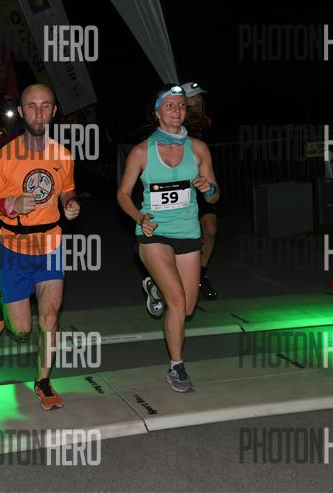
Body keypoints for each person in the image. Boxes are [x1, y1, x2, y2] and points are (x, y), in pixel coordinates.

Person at [0, 83, 80, 410]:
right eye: (32, 106)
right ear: (21, 112)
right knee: (21, 330)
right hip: (15, 249)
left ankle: (43, 380)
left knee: (50, 316)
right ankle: (0, 299)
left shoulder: (62, 154)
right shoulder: (5, 157)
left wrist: (70, 202)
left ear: (53, 111)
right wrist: (8, 204)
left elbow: (66, 189)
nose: (39, 113)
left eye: (45, 105)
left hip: (50, 245)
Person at [117, 84, 220, 392]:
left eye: (181, 106)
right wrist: (140, 218)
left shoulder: (199, 149)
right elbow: (123, 194)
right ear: (157, 112)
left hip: (188, 233)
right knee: (177, 301)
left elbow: (214, 197)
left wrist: (208, 189)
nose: (177, 110)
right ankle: (176, 367)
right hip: (154, 233)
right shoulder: (142, 151)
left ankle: (154, 287)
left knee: (186, 308)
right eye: (170, 105)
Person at [181, 81, 217, 300]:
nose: (198, 100)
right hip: (180, 186)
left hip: (202, 182)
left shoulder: (205, 122)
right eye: (193, 97)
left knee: (210, 230)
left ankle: (200, 275)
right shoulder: (175, 122)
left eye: (199, 97)